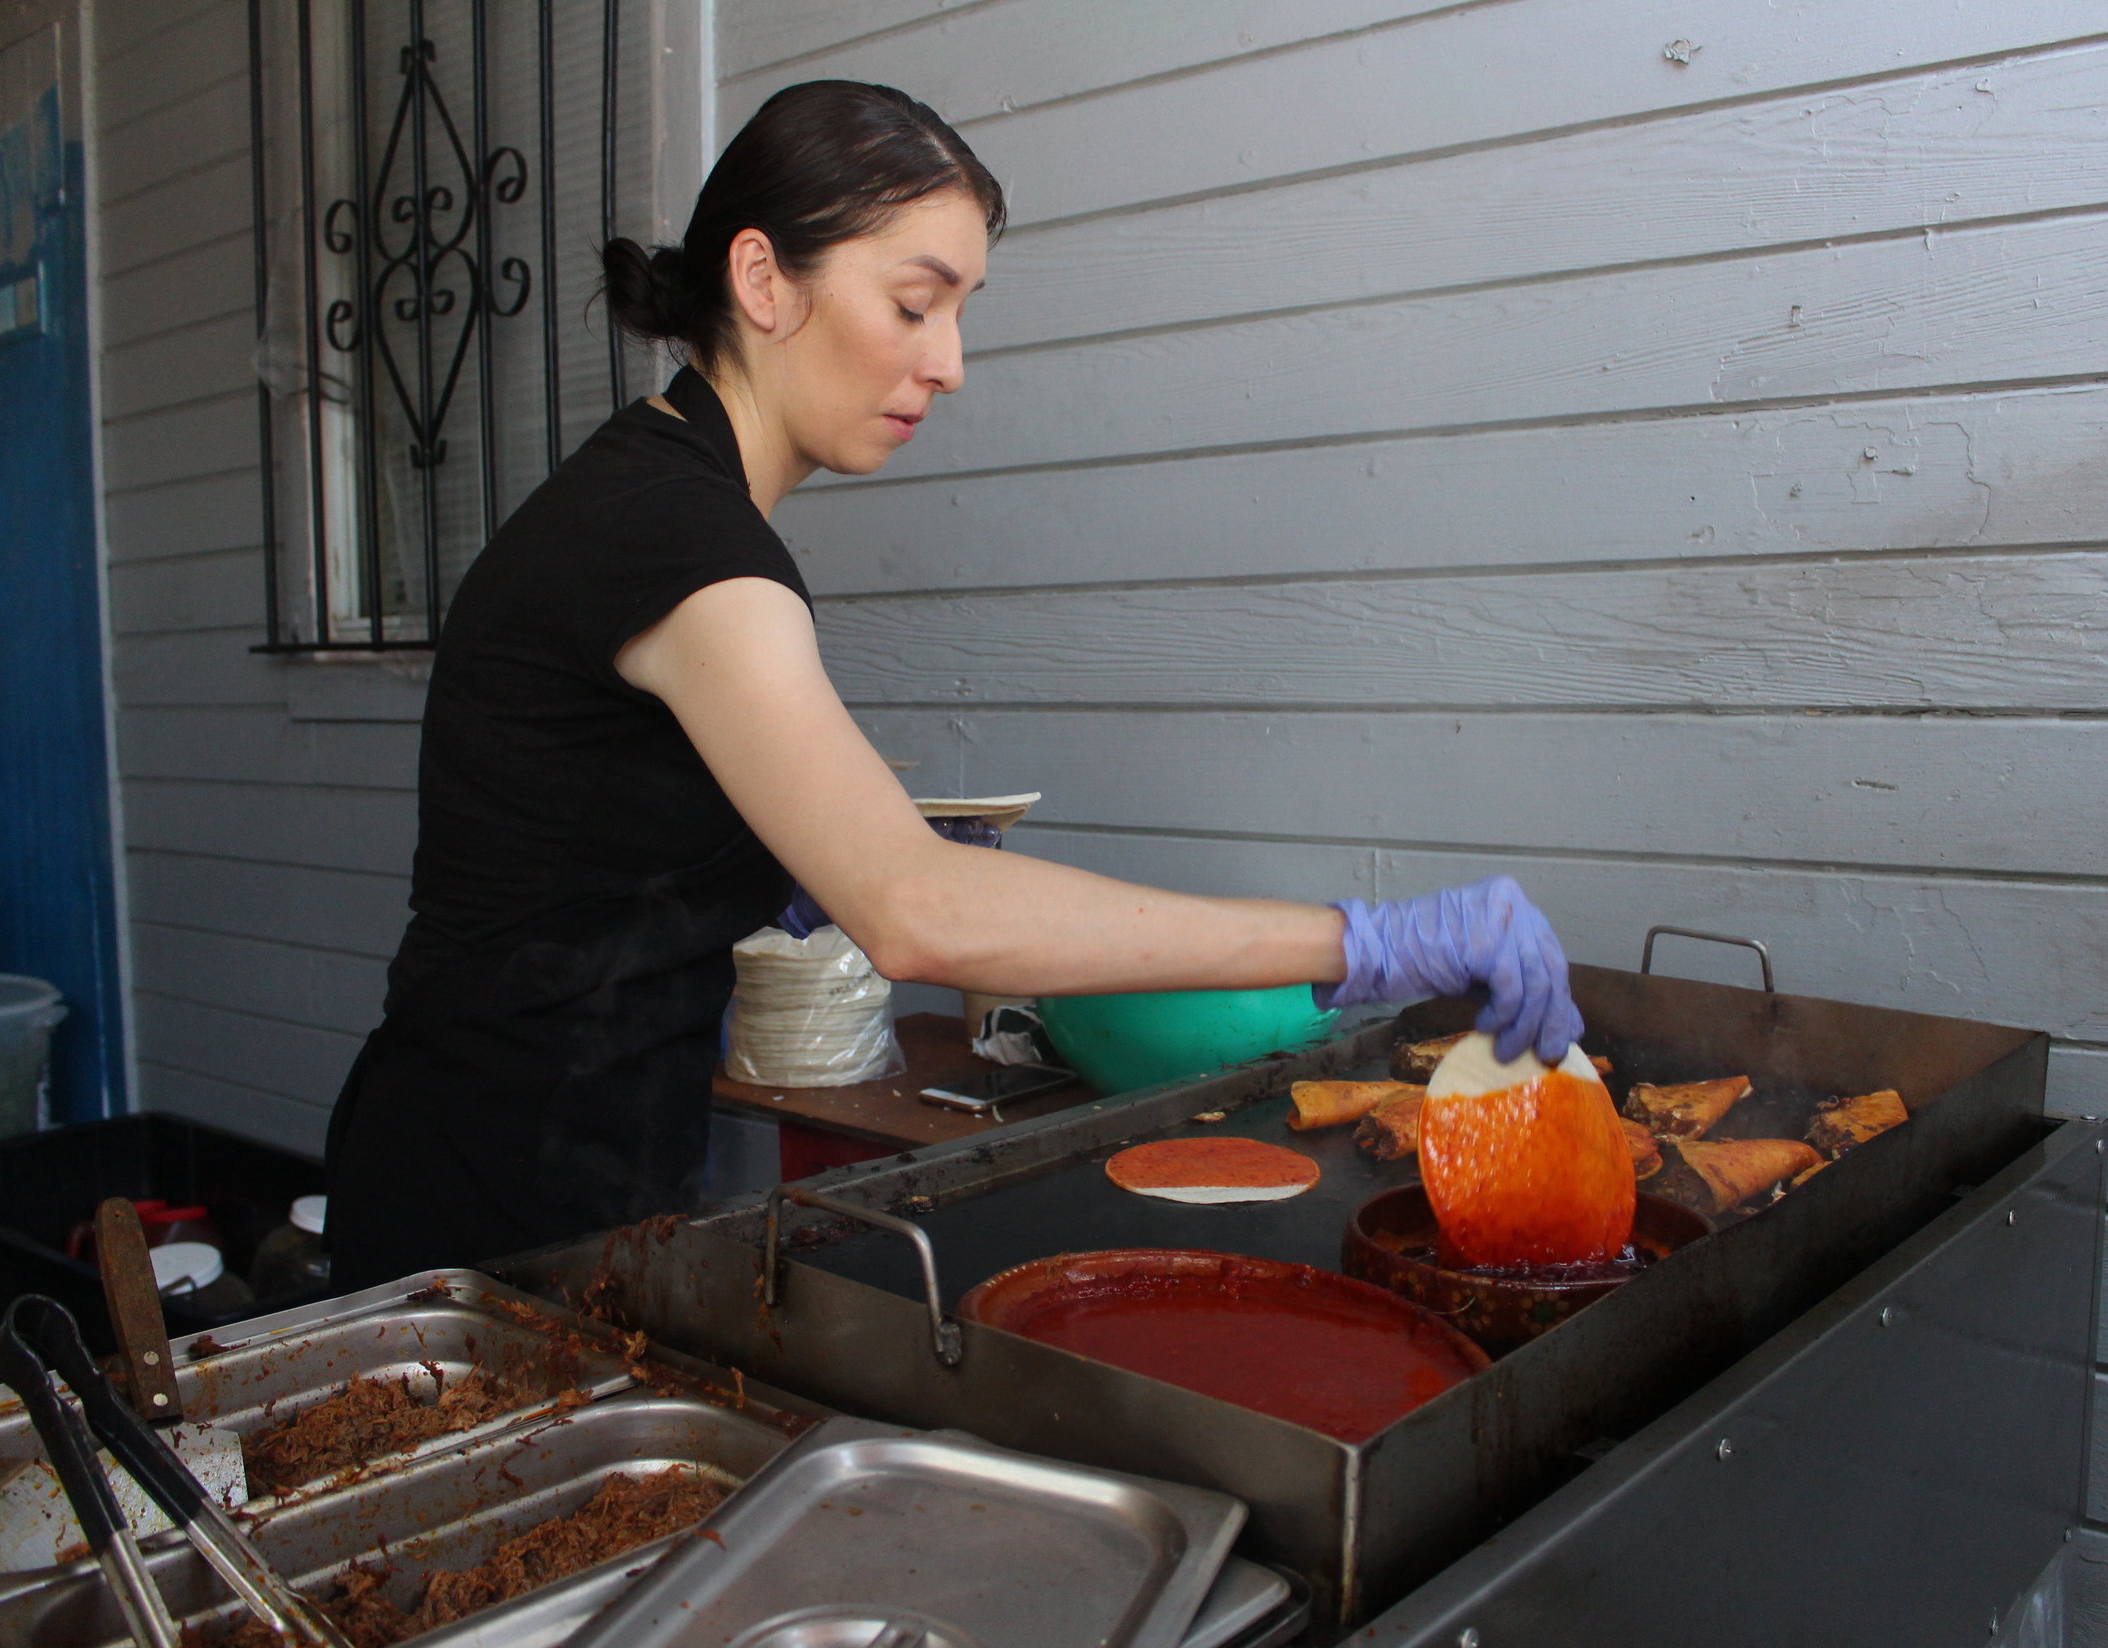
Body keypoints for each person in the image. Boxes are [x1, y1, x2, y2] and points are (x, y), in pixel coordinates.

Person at [324, 81, 1583, 1290]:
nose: (952, 362)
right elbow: (917, 912)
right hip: (494, 1199)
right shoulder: (683, 541)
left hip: (551, 1162)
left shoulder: (659, 499)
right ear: (763, 280)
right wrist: (1361, 942)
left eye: (962, 310)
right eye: (917, 303)